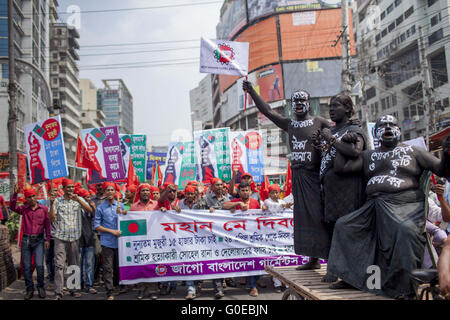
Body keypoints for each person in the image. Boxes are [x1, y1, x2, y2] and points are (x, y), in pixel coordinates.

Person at [328, 115, 450, 298]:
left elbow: (441, 169)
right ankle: (351, 279)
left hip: (405, 206)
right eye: (382, 125)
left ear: (399, 131)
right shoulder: (368, 155)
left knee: (404, 230)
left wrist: (446, 153)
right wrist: (341, 144)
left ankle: (405, 288)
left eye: (391, 125)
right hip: (372, 207)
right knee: (344, 226)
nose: (386, 127)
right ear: (375, 132)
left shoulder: (414, 151)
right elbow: (341, 168)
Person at [243, 80, 331, 270]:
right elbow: (267, 111)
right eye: (295, 102)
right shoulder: (289, 124)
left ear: (308, 103)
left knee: (319, 217)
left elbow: (337, 133)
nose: (298, 105)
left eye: (302, 101)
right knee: (303, 218)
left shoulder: (319, 122)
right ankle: (313, 259)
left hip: (314, 176)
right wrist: (251, 91)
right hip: (298, 176)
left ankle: (332, 261)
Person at [311, 93, 367, 282]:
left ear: (348, 109)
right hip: (329, 190)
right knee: (332, 228)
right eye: (330, 106)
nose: (332, 109)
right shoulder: (331, 131)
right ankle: (334, 270)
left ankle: (349, 275)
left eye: (336, 106)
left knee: (346, 230)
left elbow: (355, 151)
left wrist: (332, 140)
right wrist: (319, 142)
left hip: (348, 189)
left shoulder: (354, 129)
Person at [49, 178, 94, 300]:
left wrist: (78, 199)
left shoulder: (78, 200)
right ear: (63, 189)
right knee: (59, 265)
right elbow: (52, 218)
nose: (71, 189)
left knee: (74, 264)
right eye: (68, 187)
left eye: (72, 187)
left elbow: (90, 211)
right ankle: (58, 292)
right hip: (60, 238)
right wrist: (52, 204)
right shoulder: (57, 201)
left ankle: (73, 289)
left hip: (74, 238)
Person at [10, 185, 51, 299]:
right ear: (26, 199)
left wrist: (47, 239)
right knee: (27, 266)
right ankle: (29, 289)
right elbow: (13, 207)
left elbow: (47, 225)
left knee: (39, 265)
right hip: (26, 240)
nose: (32, 198)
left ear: (36, 196)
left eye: (33, 196)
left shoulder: (43, 209)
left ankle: (41, 287)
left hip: (39, 240)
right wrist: (15, 195)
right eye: (29, 197)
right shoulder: (24, 209)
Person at [223, 182, 262, 297]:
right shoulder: (236, 201)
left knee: (255, 260)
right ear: (239, 192)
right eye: (243, 190)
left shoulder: (255, 202)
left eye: (247, 190)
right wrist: (238, 204)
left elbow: (260, 216)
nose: (245, 192)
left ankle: (253, 283)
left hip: (253, 236)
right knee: (247, 260)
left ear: (251, 191)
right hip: (239, 237)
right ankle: (252, 286)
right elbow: (224, 206)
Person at [130, 184, 163, 300]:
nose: (145, 193)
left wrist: (164, 210)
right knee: (140, 265)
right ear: (139, 193)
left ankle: (153, 290)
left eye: (147, 191)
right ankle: (141, 289)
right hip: (139, 240)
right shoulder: (133, 207)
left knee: (152, 265)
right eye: (143, 191)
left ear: (150, 193)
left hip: (154, 240)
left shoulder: (156, 205)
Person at [93, 182, 126, 300]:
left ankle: (117, 286)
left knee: (118, 267)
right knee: (108, 267)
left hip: (120, 242)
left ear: (115, 192)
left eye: (112, 190)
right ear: (105, 192)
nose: (110, 192)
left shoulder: (120, 206)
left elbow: (126, 220)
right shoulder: (100, 208)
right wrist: (112, 232)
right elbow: (97, 226)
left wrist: (123, 213)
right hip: (107, 242)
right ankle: (109, 291)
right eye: (108, 190)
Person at [262, 184, 292, 292]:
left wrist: (288, 206)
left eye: (277, 192)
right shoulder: (267, 202)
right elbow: (273, 209)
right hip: (271, 235)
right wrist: (284, 206)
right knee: (274, 259)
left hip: (283, 234)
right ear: (269, 194)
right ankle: (277, 284)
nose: (275, 194)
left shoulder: (282, 202)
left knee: (285, 259)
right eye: (273, 192)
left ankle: (288, 284)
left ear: (280, 193)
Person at [77, 188, 97, 294]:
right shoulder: (75, 208)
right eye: (87, 197)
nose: (89, 199)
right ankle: (78, 285)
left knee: (89, 264)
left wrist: (92, 206)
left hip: (89, 239)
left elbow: (94, 214)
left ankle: (89, 285)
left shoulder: (90, 208)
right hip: (78, 240)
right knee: (78, 264)